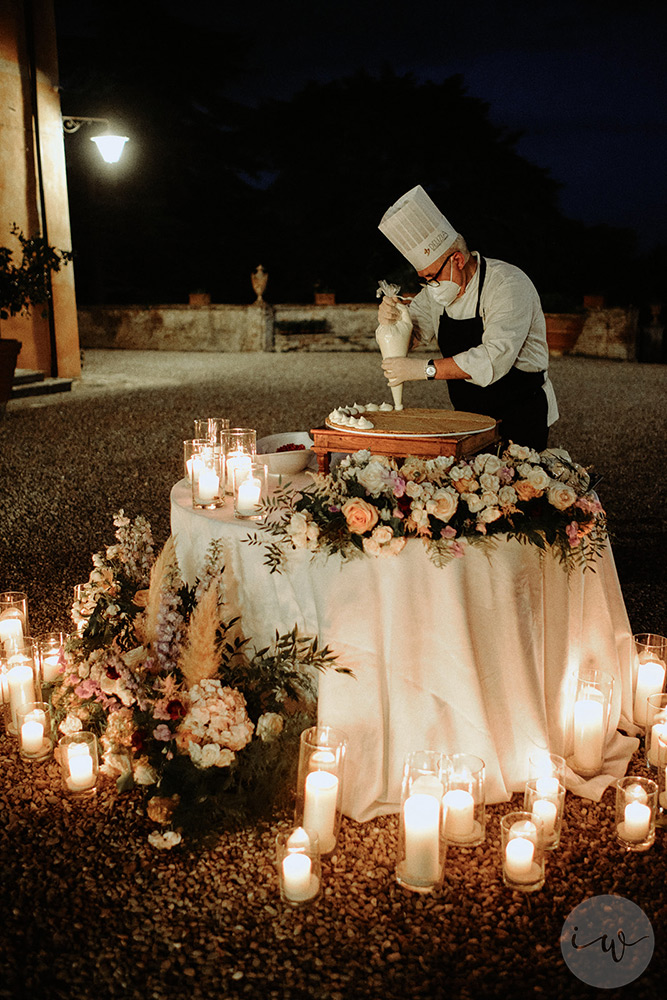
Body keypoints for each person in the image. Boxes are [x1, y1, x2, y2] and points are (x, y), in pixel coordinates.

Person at [377, 184, 558, 451]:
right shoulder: (434, 293)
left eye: (432, 276)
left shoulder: (508, 284)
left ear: (458, 260)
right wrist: (390, 322)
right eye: (424, 279)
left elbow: (493, 358)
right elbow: (411, 337)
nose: (429, 286)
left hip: (521, 412)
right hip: (467, 417)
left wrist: (423, 369)